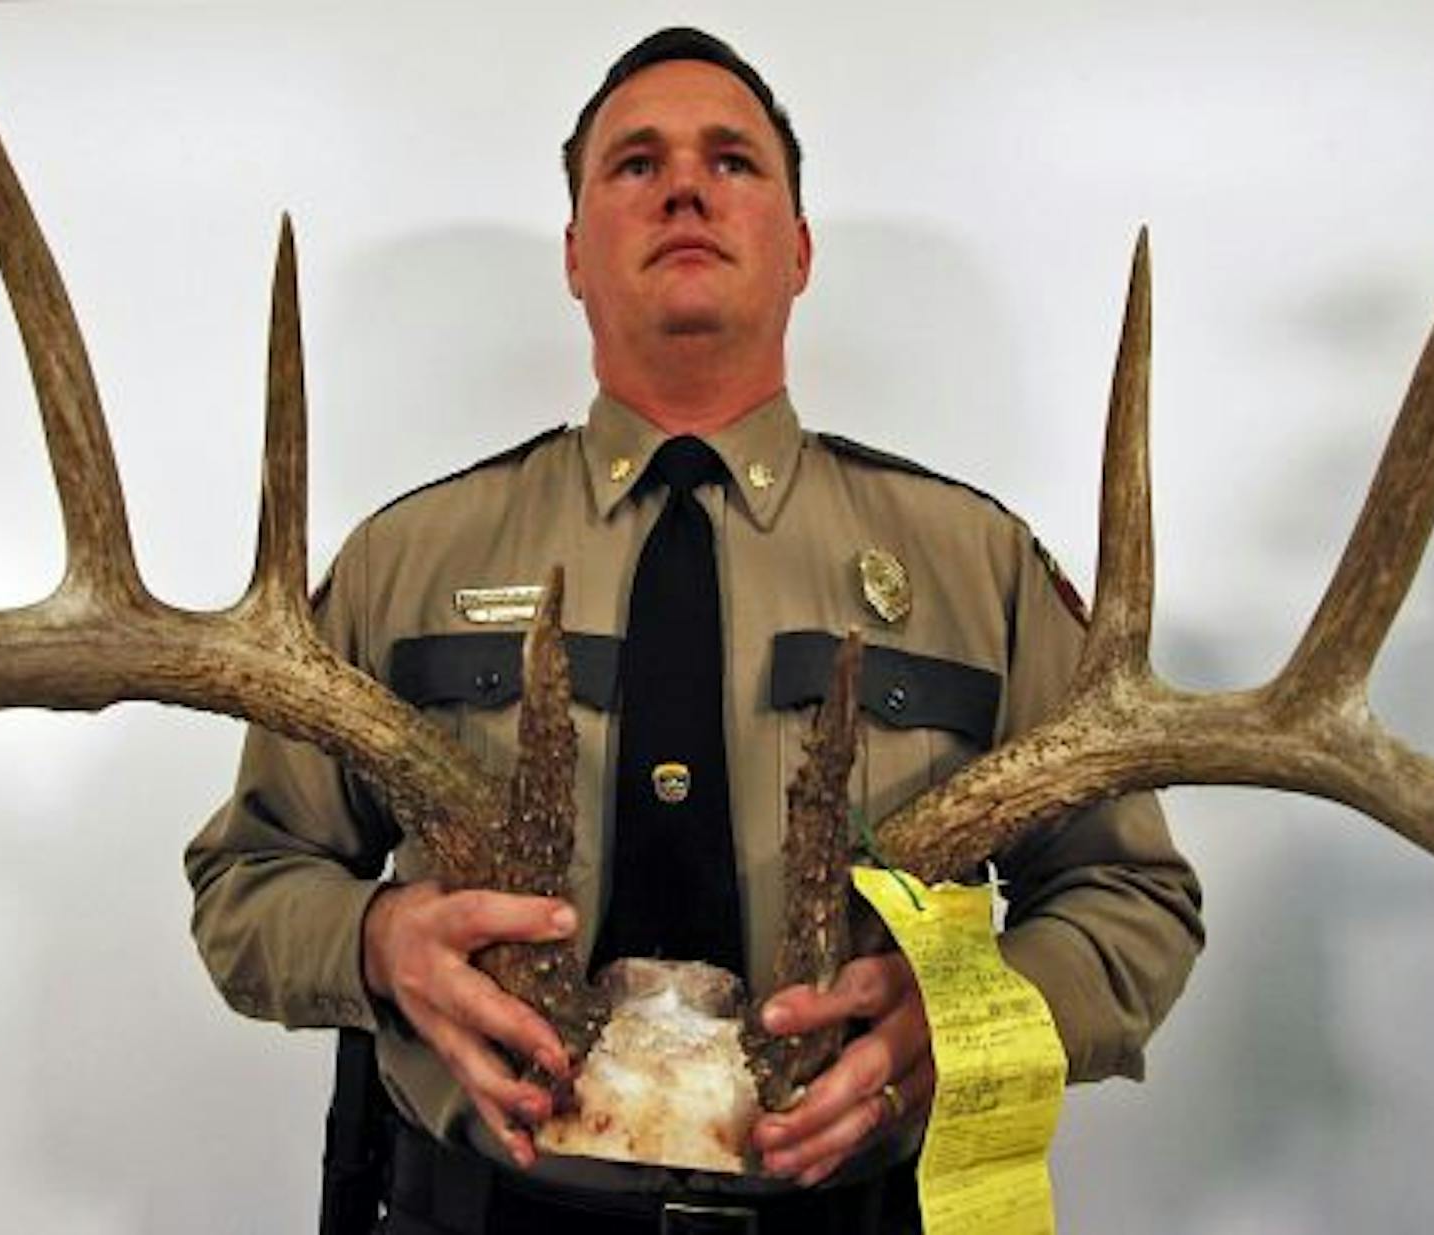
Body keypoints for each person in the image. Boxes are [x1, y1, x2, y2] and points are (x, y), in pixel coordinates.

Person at [186, 27, 1203, 1234]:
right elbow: (246, 884)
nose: (683, 186)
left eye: (733, 161)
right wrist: (377, 936)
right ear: (573, 253)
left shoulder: (972, 562)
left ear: (801, 247)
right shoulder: (407, 560)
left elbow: (1132, 892)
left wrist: (979, 1013)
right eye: (634, 164)